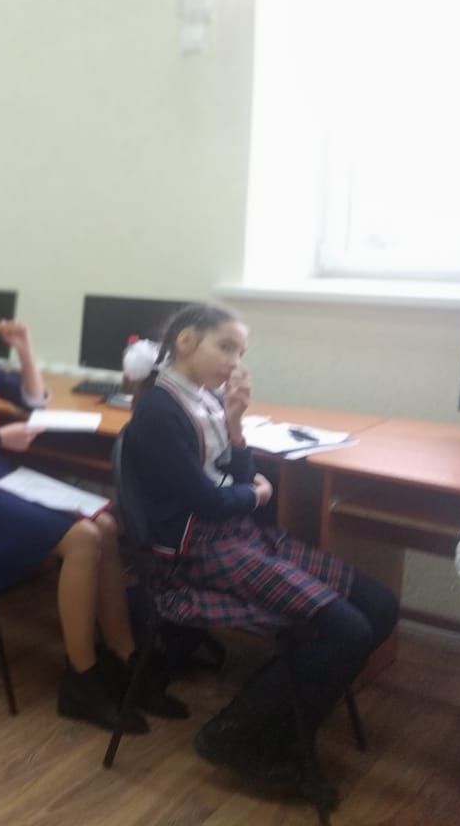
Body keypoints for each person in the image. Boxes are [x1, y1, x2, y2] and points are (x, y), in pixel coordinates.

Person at [0, 264, 181, 733]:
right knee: (83, 538)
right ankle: (80, 679)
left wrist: (23, 347)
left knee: (106, 525)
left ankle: (126, 661)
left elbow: (34, 398)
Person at [123, 303, 398, 802]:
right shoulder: (159, 409)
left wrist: (235, 425)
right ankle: (244, 735)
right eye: (225, 347)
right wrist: (256, 496)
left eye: (241, 352)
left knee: (379, 606)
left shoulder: (205, 398)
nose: (235, 362)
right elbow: (210, 499)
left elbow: (238, 474)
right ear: (185, 341)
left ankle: (276, 721)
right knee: (349, 629)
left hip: (236, 535)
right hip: (194, 555)